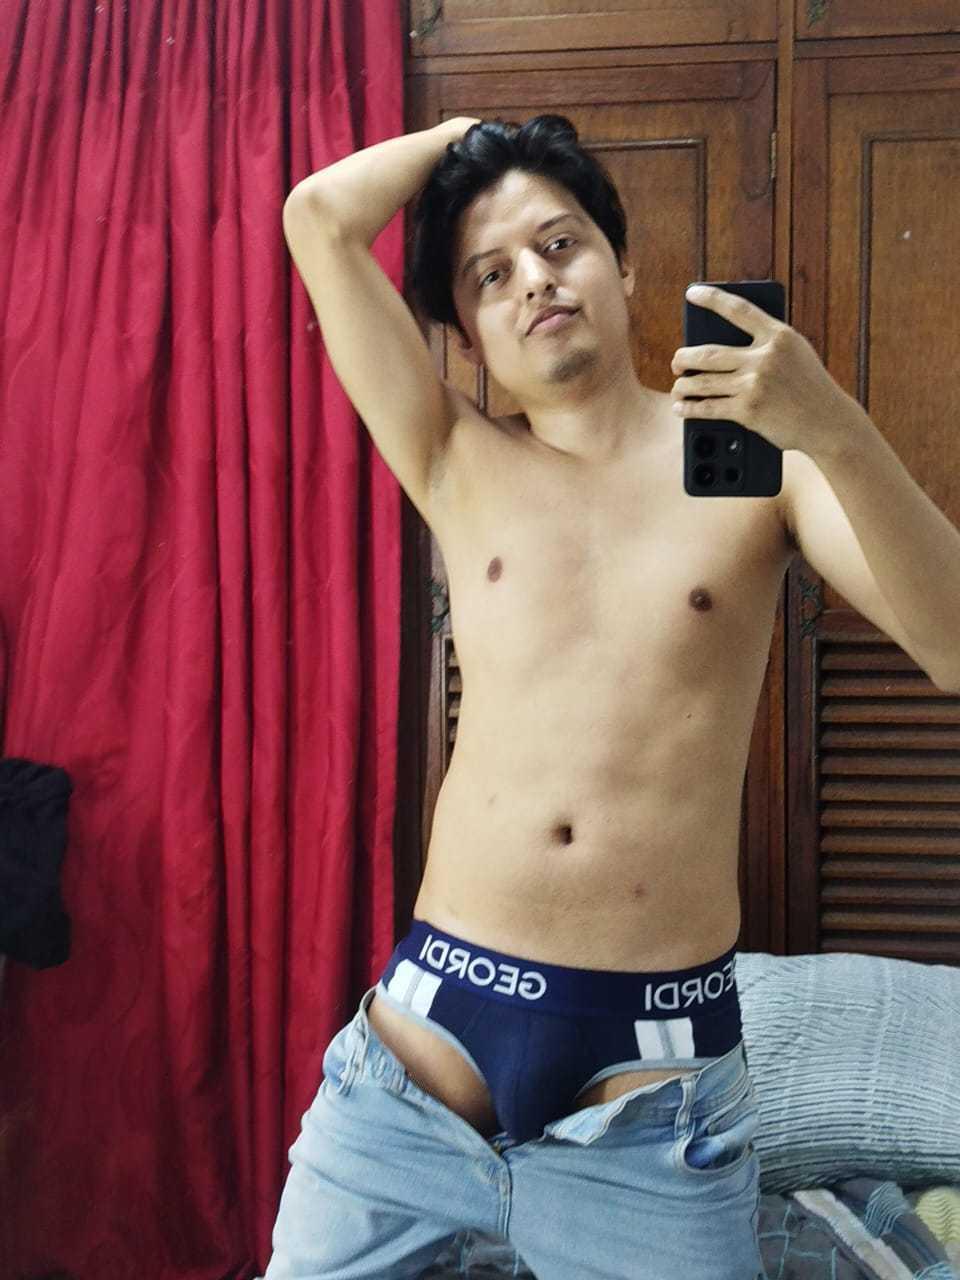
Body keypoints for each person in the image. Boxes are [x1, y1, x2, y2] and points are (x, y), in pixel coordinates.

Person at [271, 114, 772, 1279]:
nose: (534, 280)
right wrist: (474, 138)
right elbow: (319, 217)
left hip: (653, 1093)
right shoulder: (453, 456)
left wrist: (833, 431)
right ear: (465, 332)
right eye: (489, 275)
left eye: (558, 243)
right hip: (415, 1069)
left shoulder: (753, 460)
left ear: (622, 264)